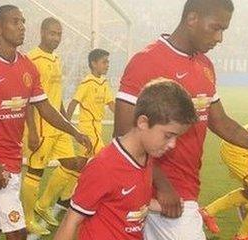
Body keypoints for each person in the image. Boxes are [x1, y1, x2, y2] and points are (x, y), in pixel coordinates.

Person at [113, 0, 248, 239]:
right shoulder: (147, 61)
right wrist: (162, 185)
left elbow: (222, 122)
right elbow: (122, 132)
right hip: (163, 193)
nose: (220, 38)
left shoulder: (205, 65)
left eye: (223, 30)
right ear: (192, 19)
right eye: (216, 28)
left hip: (184, 191)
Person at [0, 5, 91, 240]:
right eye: (15, 22)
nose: (22, 26)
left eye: (23, 21)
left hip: (13, 156)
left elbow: (45, 107)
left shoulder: (27, 67)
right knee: (17, 233)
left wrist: (74, 131)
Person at [55, 79, 197, 240]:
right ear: (143, 122)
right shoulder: (104, 167)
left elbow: (126, 199)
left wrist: (158, 206)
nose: (172, 144)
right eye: (168, 135)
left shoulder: (147, 155)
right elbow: (71, 222)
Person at [21, 17, 84, 236]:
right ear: (42, 32)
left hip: (58, 126)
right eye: (52, 33)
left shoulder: (56, 59)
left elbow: (56, 96)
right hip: (40, 126)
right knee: (35, 172)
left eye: (59, 34)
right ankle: (28, 219)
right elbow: (27, 98)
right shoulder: (31, 59)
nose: (56, 38)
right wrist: (32, 130)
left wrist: (66, 121)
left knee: (74, 164)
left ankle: (43, 205)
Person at [67, 48, 115, 157]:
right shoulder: (87, 82)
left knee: (84, 160)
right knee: (102, 156)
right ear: (93, 64)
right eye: (104, 62)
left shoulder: (104, 83)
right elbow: (74, 102)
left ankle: (63, 174)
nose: (107, 65)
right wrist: (67, 124)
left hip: (97, 126)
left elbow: (111, 104)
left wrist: (126, 116)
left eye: (108, 62)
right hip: (88, 127)